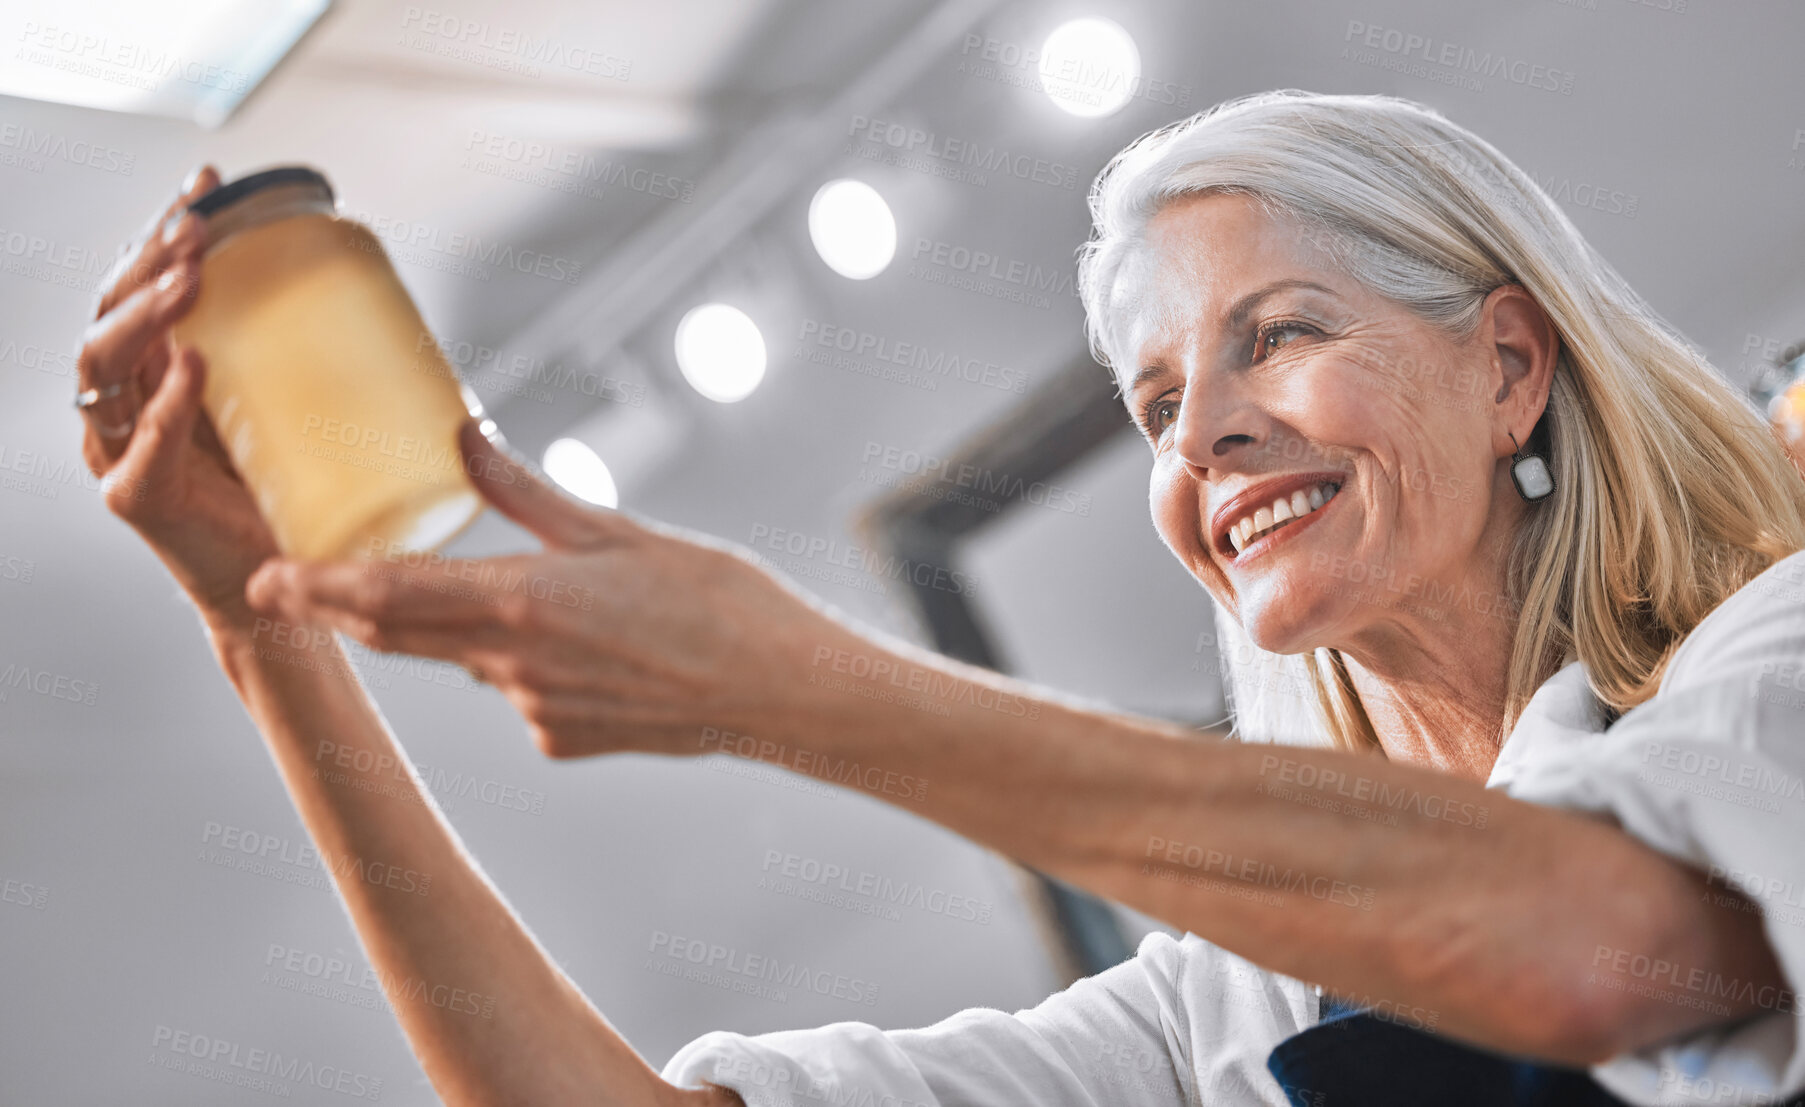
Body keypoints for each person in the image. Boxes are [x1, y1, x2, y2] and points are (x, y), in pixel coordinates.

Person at [75, 91, 1805, 1106]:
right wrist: (262, 631)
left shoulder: (1771, 664)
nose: (1203, 434)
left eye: (1275, 334)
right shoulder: (1232, 1006)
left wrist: (816, 694)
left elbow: (1599, 948)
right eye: (1151, 404)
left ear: (1507, 362)